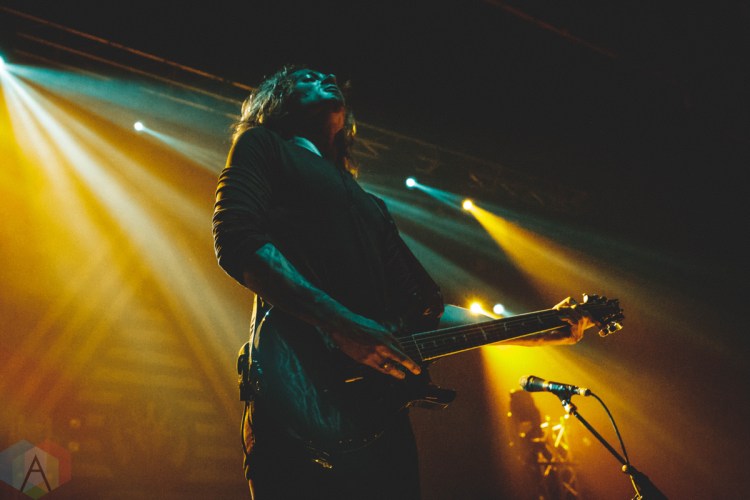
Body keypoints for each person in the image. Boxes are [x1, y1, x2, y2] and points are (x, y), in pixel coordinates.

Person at [212, 65, 594, 499]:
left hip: (378, 424)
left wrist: (536, 328)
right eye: (309, 77)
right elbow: (237, 239)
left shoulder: (369, 204)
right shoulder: (262, 145)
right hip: (294, 407)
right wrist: (343, 325)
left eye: (328, 76)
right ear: (278, 99)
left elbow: (422, 313)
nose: (327, 77)